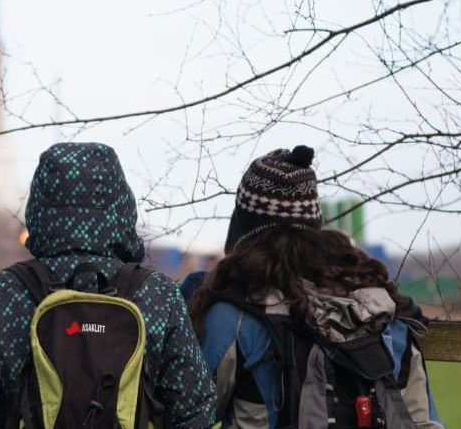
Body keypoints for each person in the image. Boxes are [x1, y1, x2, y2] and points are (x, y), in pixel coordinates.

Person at [0, 142, 217, 428]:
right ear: (121, 204)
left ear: (40, 206)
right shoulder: (156, 294)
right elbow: (195, 408)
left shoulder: (4, 294)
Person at [186, 146, 443, 428]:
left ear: (246, 231)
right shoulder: (380, 308)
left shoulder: (233, 316)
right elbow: (423, 419)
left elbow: (189, 411)